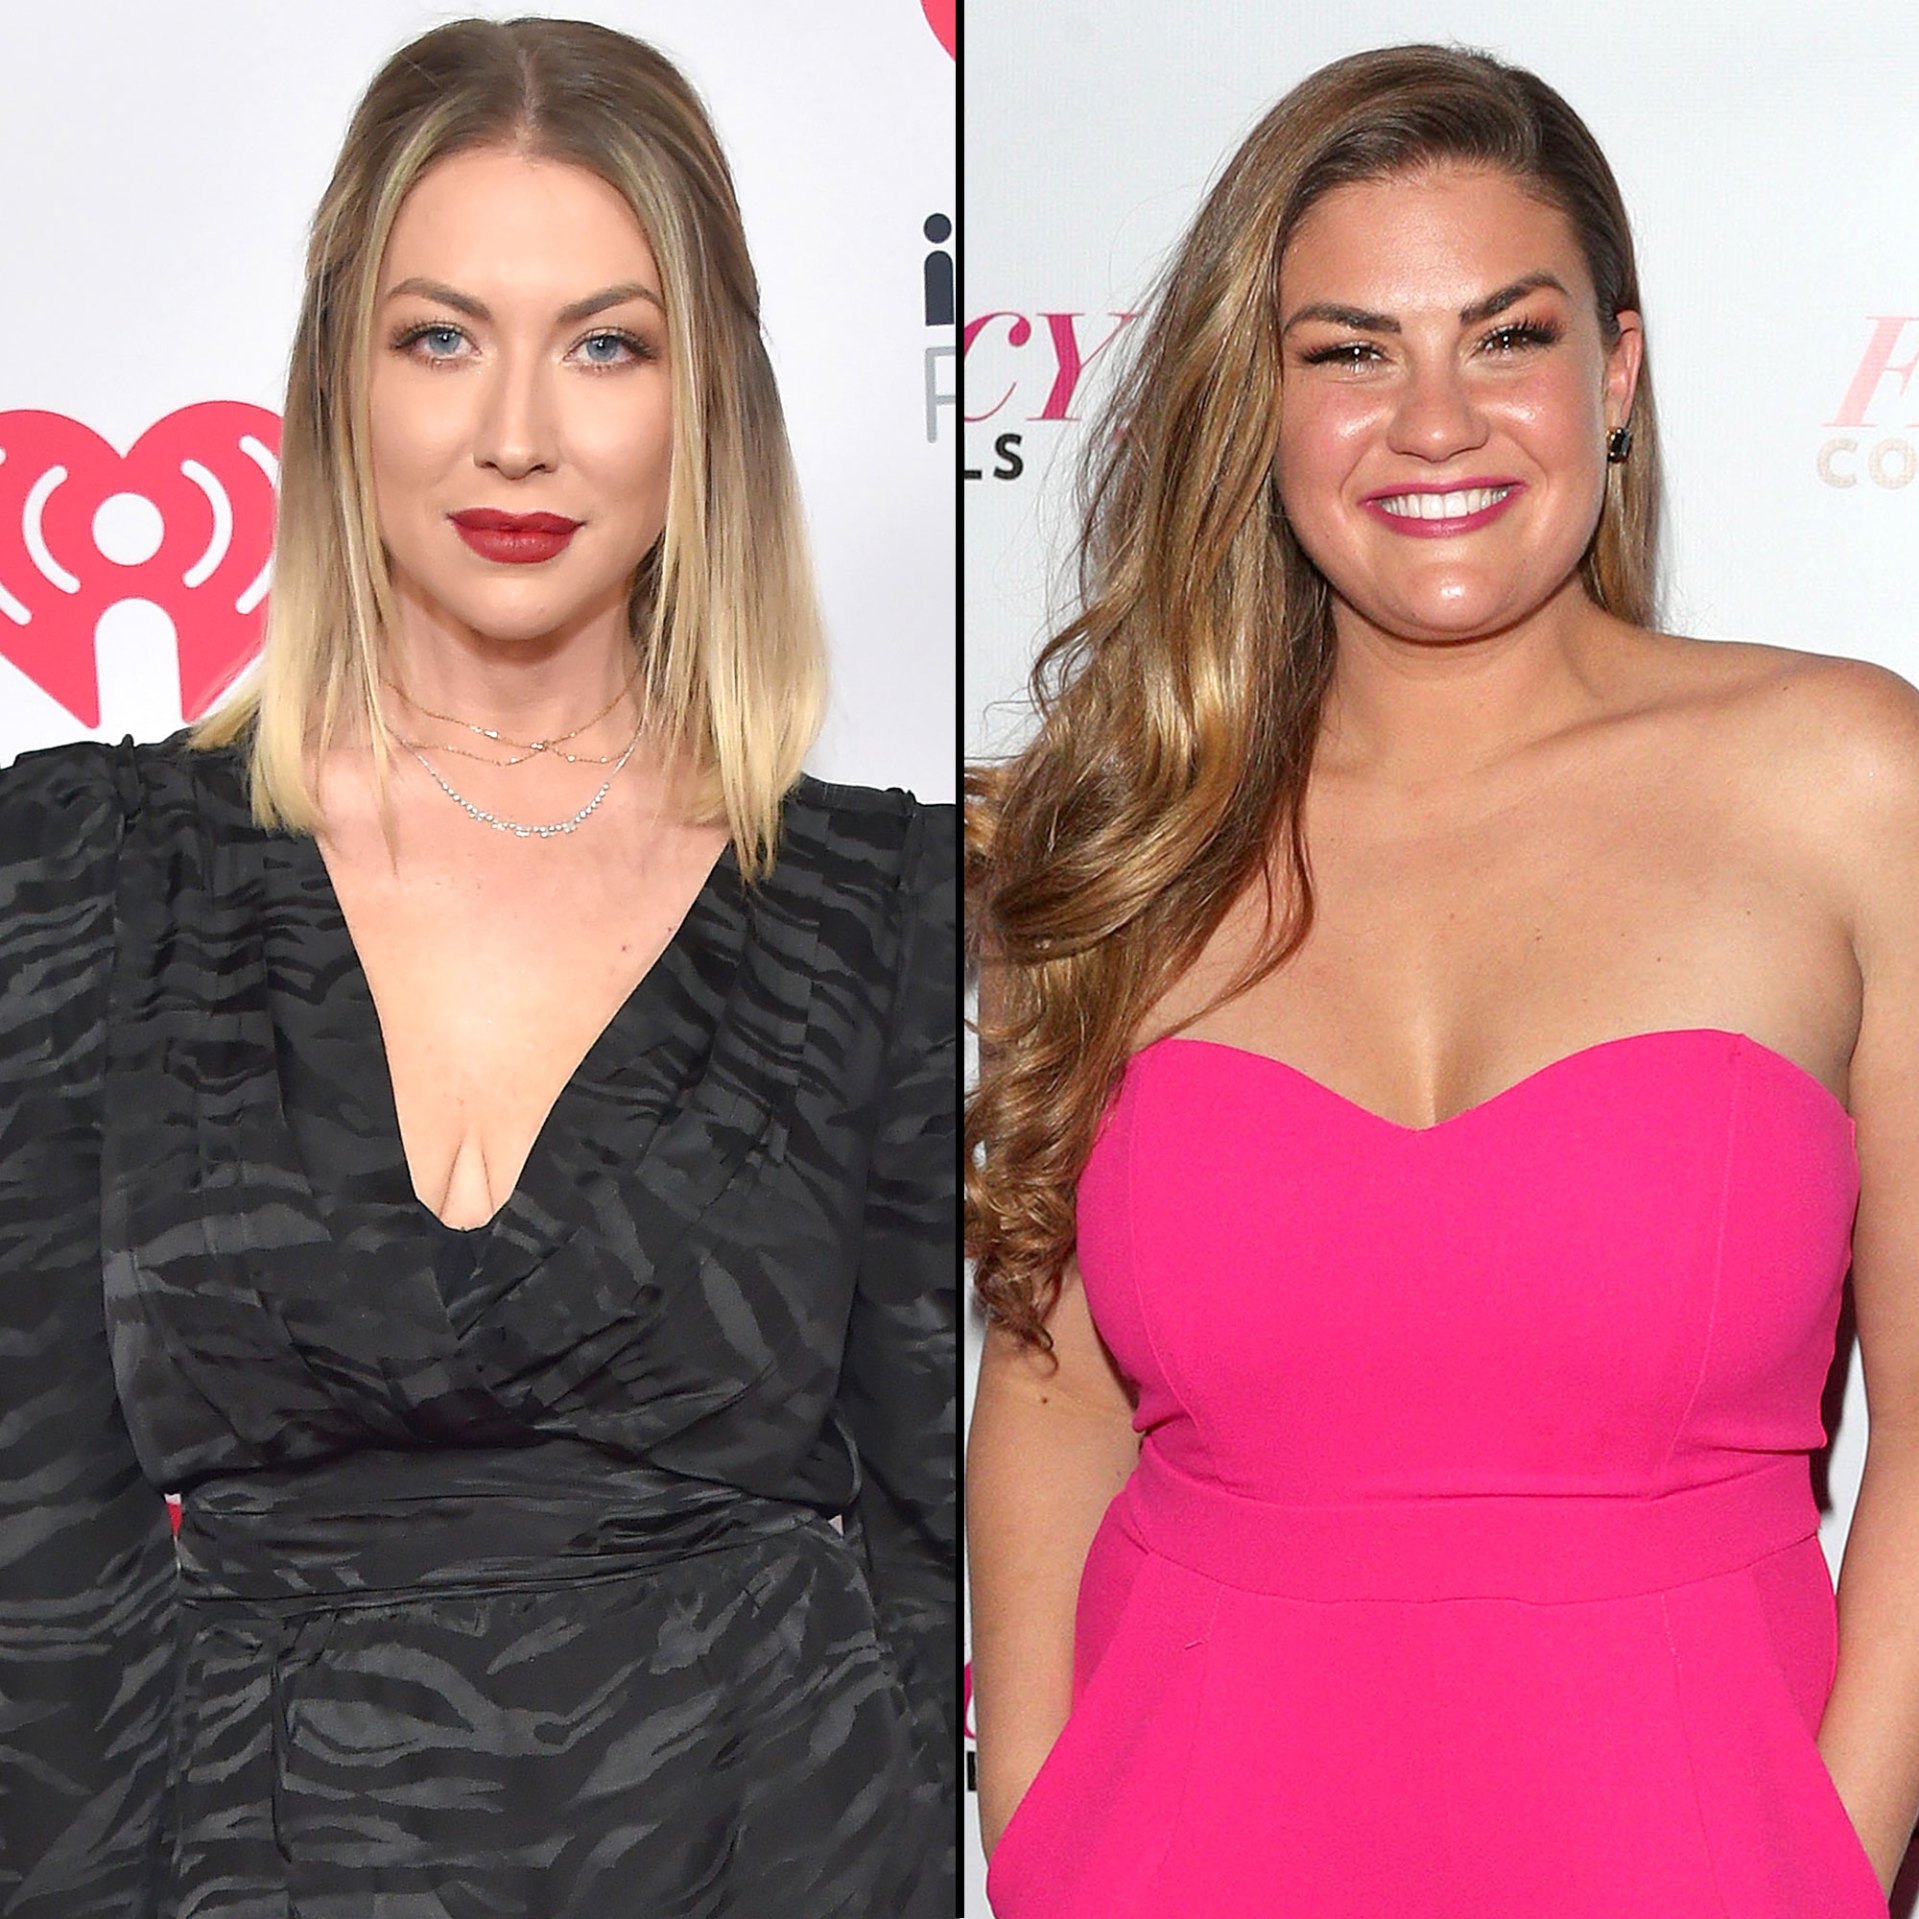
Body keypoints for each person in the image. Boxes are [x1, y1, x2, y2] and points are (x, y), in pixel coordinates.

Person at [0, 18, 955, 1917]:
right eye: (441, 337)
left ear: (709, 399)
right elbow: (38, 1553)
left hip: (772, 1852)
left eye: (608, 345)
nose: (518, 431)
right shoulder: (87, 867)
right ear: (336, 379)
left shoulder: (882, 903)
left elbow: (934, 1554)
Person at [966, 42, 1919, 1917]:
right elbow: (1050, 1391)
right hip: (1176, 1848)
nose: (1434, 422)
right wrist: (1046, 1844)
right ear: (1259, 401)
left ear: (1615, 374)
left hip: (1695, 1854)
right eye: (1350, 352)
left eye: (1506, 338)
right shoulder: (1118, 833)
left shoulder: (1848, 784)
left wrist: (1825, 1859)